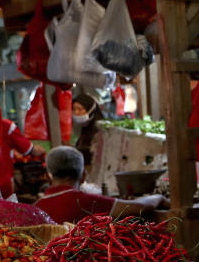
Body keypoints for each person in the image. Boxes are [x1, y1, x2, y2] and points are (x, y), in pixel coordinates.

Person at [33, 146, 167, 223]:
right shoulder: (85, 201)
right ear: (83, 175)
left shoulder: (35, 208)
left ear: (48, 177)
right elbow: (141, 207)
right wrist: (159, 198)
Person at [71, 93, 104, 166]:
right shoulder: (84, 127)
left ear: (90, 110)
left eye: (80, 109)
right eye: (73, 109)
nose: (76, 112)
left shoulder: (99, 129)